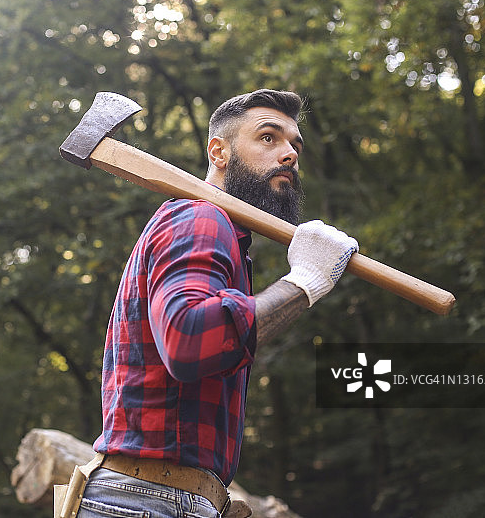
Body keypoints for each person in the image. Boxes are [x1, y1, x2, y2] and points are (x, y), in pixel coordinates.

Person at [75, 89, 358, 518]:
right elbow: (190, 341)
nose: (289, 155)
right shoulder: (201, 218)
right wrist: (305, 282)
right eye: (268, 138)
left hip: (161, 497)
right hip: (146, 500)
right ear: (218, 152)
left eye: (295, 145)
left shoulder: (223, 238)